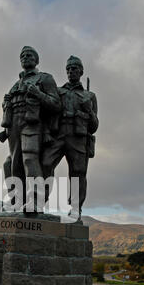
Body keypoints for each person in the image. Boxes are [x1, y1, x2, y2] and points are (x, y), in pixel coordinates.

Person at [0, 46, 60, 213]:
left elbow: (56, 104)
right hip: (13, 126)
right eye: (22, 55)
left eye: (30, 55)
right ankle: (17, 202)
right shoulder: (16, 84)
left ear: (37, 60)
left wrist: (38, 94)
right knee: (12, 164)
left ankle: (35, 202)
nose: (25, 57)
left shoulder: (44, 79)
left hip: (32, 123)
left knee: (29, 160)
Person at [42, 56, 99, 223]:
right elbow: (47, 114)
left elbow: (94, 126)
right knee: (45, 165)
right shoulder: (59, 91)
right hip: (58, 134)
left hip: (78, 138)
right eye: (68, 69)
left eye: (74, 68)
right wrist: (46, 132)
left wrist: (89, 111)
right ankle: (38, 203)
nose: (70, 71)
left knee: (78, 174)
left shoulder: (90, 95)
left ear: (81, 71)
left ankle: (75, 209)